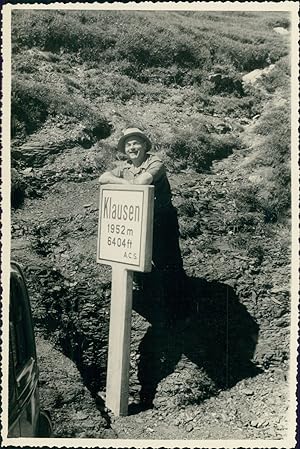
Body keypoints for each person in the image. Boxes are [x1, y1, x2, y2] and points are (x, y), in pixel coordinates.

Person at [99, 127, 187, 323]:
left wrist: (123, 183)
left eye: (135, 143)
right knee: (136, 261)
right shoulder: (125, 166)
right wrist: (122, 183)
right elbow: (103, 178)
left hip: (162, 221)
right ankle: (153, 302)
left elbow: (143, 181)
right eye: (128, 144)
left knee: (168, 263)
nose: (132, 147)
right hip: (138, 221)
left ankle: (180, 310)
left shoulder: (155, 161)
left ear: (145, 145)